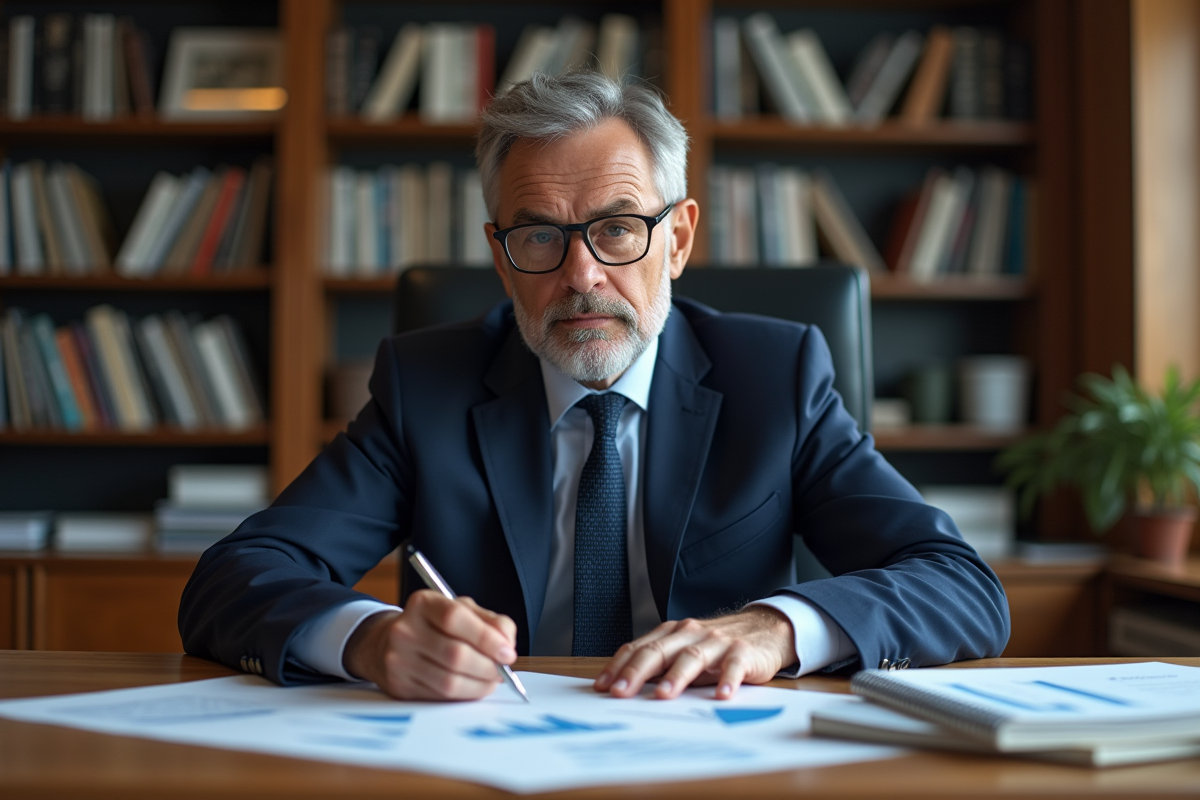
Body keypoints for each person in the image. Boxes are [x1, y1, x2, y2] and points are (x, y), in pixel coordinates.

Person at [179, 72, 1009, 702]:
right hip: (492, 757)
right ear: (502, 255)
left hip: (715, 759)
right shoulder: (426, 384)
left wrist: (777, 629)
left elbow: (960, 586)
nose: (581, 276)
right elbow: (236, 575)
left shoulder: (776, 378)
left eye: (617, 228)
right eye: (540, 235)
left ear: (677, 239)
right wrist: (369, 640)